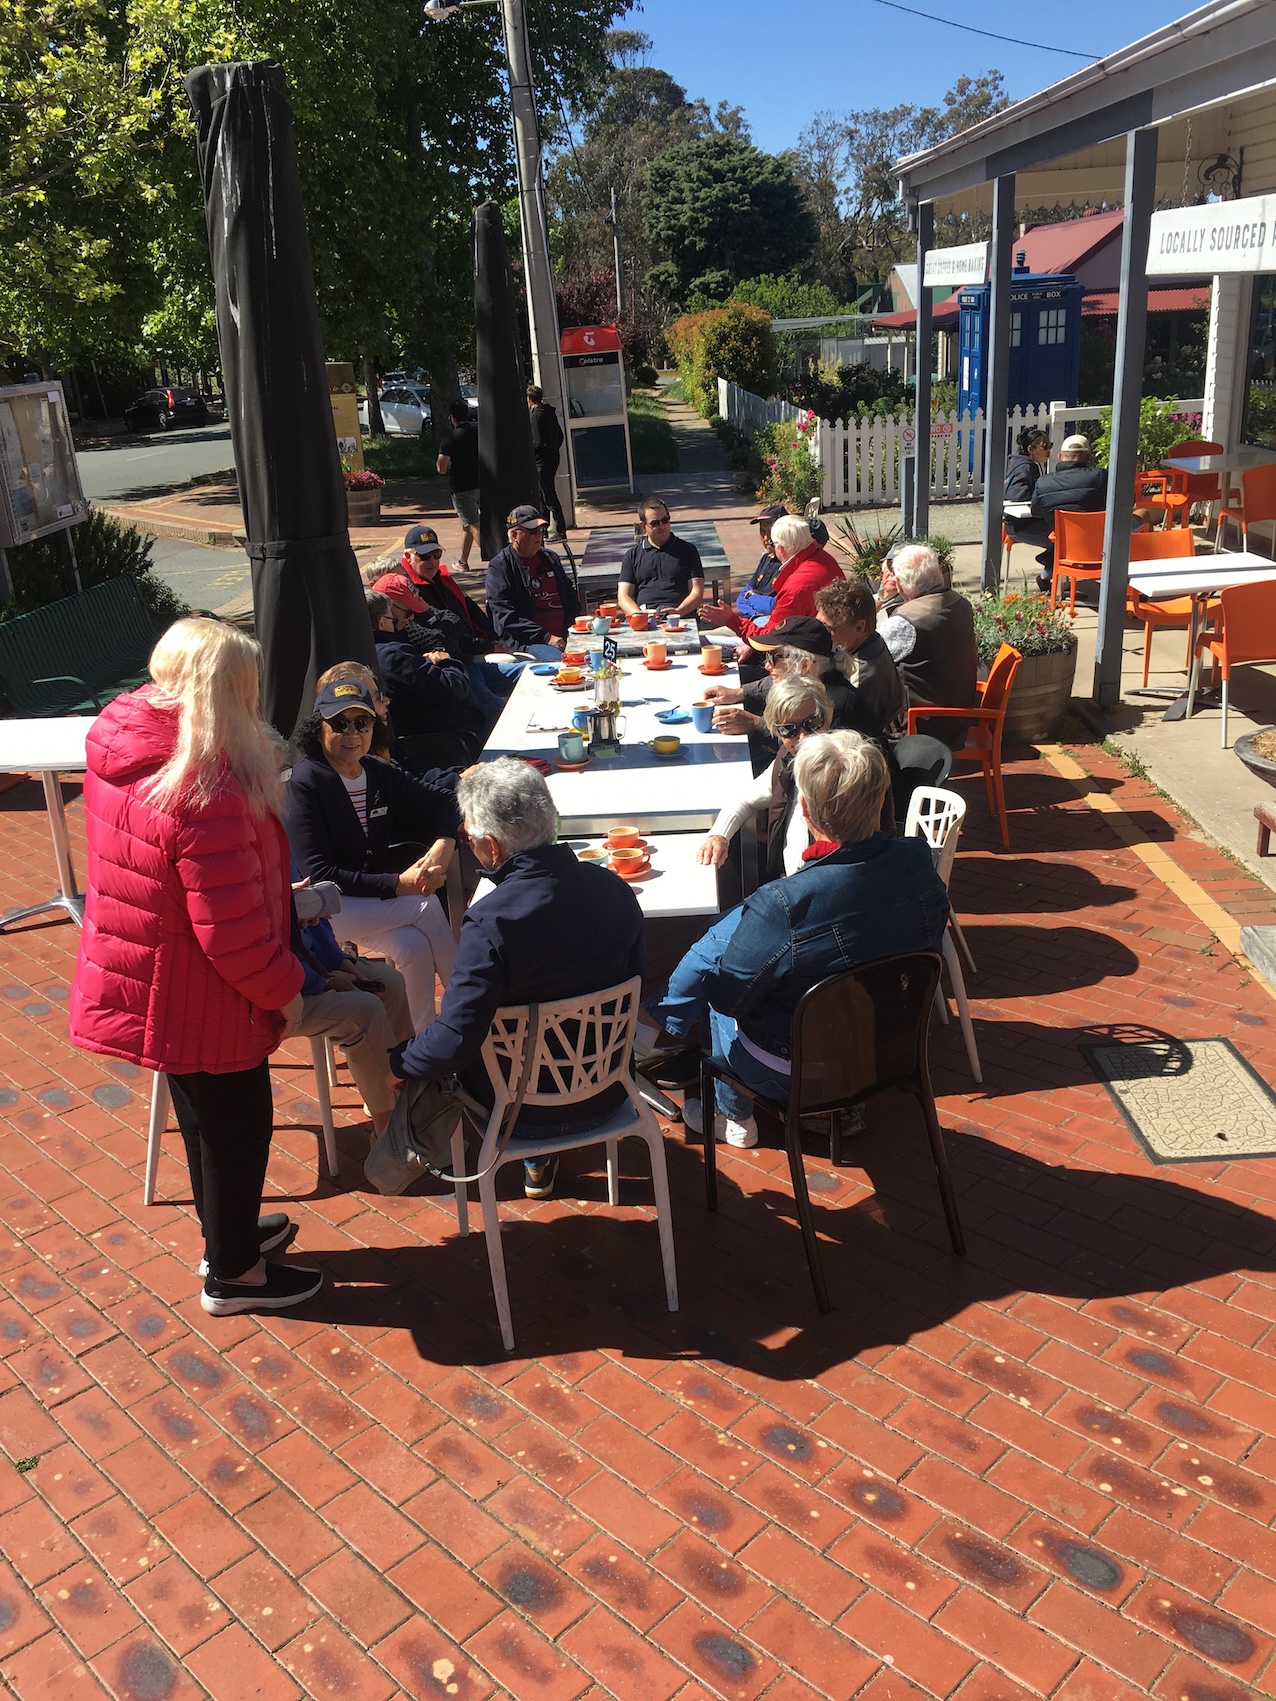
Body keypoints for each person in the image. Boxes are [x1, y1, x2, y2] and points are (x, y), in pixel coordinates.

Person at [69, 618, 322, 1316]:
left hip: (156, 981)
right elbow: (232, 938)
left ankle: (225, 1236)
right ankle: (236, 1275)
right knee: (240, 1129)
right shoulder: (205, 788)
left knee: (203, 1120)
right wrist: (289, 988)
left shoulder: (124, 751)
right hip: (207, 994)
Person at [646, 730, 949, 1147]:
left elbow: (728, 998)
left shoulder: (783, 903)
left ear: (805, 811)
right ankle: (656, 1036)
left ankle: (733, 1117)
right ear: (881, 802)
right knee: (725, 939)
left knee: (717, 975)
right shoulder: (918, 863)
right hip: (890, 1054)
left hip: (797, 1073)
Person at [391, 759, 645, 1200]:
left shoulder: (490, 922)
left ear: (491, 846)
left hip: (519, 1112)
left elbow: (452, 1042)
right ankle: (538, 1163)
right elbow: (635, 978)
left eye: (468, 837)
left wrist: (397, 1060)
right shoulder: (614, 890)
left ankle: (536, 1158)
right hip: (610, 1091)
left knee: (434, 1065)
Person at [285, 679, 461, 1028]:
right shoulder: (306, 784)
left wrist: (444, 845)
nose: (353, 733)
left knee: (412, 945)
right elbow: (321, 873)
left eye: (362, 722)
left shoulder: (377, 772)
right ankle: (469, 1015)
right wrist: (399, 884)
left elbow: (445, 800)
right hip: (320, 912)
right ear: (318, 727)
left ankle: (421, 1043)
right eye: (340, 723)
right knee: (424, 905)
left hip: (368, 904)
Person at [287, 879, 413, 1138]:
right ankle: (390, 1138)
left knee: (390, 983)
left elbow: (316, 918)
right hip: (280, 990)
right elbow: (258, 954)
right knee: (365, 1012)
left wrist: (341, 962)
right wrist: (324, 980)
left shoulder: (275, 844)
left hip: (312, 968)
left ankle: (409, 1098)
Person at [698, 675, 835, 882]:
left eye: (812, 723)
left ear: (828, 718)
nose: (804, 737)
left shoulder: (845, 770)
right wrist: (719, 836)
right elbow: (745, 799)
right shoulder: (787, 761)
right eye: (789, 729)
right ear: (777, 732)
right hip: (789, 886)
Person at [372, 574, 518, 728]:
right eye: (408, 612)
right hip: (455, 721)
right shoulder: (393, 652)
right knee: (504, 717)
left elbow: (454, 620)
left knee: (528, 672)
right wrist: (445, 660)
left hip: (465, 669)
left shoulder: (398, 630)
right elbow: (450, 684)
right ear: (383, 618)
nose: (412, 617)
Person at [366, 591, 487, 763]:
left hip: (426, 736)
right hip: (451, 737)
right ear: (381, 622)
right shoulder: (393, 655)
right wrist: (447, 662)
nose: (400, 622)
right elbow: (452, 688)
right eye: (391, 617)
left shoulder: (366, 653)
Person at [878, 544, 977, 751]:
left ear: (898, 583)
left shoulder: (907, 620)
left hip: (921, 724)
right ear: (938, 572)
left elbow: (872, 657)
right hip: (955, 717)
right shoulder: (960, 603)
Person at [698, 515, 843, 642]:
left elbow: (770, 638)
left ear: (780, 548)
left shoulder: (797, 585)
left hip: (803, 654)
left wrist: (732, 620)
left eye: (773, 543)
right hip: (814, 642)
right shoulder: (823, 559)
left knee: (704, 643)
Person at [814, 576, 909, 741]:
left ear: (859, 627)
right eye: (817, 624)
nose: (818, 633)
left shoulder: (860, 675)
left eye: (828, 628)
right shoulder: (871, 640)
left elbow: (842, 734)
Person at [485, 506, 581, 659]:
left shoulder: (550, 558)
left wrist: (575, 628)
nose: (539, 536)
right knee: (559, 661)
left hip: (566, 636)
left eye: (541, 531)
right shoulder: (499, 567)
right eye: (532, 531)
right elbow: (506, 616)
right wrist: (546, 637)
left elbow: (571, 598)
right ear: (514, 535)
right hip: (528, 644)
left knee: (599, 651)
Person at [1026, 434, 1109, 590]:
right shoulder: (1101, 477)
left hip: (1064, 547)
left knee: (1058, 535)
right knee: (1142, 515)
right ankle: (1136, 581)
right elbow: (1126, 502)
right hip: (1101, 546)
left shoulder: (1043, 483)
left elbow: (1036, 512)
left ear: (1059, 457)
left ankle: (1048, 571)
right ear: (1088, 457)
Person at [617, 500, 705, 619]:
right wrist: (639, 616)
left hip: (680, 617)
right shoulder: (632, 555)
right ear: (643, 526)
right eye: (655, 523)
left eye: (665, 520)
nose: (662, 526)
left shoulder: (688, 550)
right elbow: (623, 596)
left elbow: (697, 592)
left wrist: (678, 612)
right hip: (645, 616)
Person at [435, 400, 481, 569]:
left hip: (462, 487)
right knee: (467, 525)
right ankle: (463, 561)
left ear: (452, 418)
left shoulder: (450, 438)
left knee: (474, 524)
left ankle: (497, 561)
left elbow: (441, 467)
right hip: (481, 482)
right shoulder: (478, 432)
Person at [735, 502, 787, 625]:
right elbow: (741, 599)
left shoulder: (788, 564)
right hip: (753, 620)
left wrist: (751, 598)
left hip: (772, 625)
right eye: (762, 532)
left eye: (770, 532)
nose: (766, 539)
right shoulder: (766, 558)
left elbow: (773, 605)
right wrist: (755, 615)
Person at [527, 384, 567, 539]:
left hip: (541, 461)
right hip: (552, 458)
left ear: (529, 399)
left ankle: (560, 529)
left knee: (548, 495)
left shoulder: (536, 415)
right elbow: (560, 435)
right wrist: (553, 449)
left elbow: (537, 441)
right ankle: (542, 528)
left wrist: (532, 452)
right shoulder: (549, 412)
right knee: (542, 495)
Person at [1004, 425, 1051, 519]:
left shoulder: (1023, 464)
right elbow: (1016, 495)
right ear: (1030, 449)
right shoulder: (1025, 468)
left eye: (1050, 445)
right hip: (1021, 524)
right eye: (1045, 446)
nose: (1049, 449)